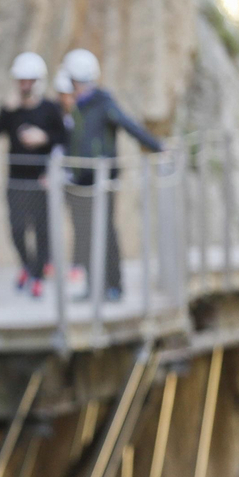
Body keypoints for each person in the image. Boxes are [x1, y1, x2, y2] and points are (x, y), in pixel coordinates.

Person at [61, 48, 165, 301]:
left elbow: (129, 125)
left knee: (106, 232)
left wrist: (158, 146)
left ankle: (114, 285)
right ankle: (92, 286)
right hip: (79, 181)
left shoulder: (103, 102)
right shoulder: (76, 107)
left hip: (103, 180)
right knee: (85, 234)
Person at [0, 52, 67, 298]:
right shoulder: (12, 110)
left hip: (42, 180)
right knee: (17, 228)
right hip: (16, 179)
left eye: (29, 80)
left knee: (42, 229)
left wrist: (44, 138)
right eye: (21, 80)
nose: (24, 85)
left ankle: (37, 276)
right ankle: (28, 266)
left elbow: (65, 139)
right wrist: (5, 109)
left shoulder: (50, 109)